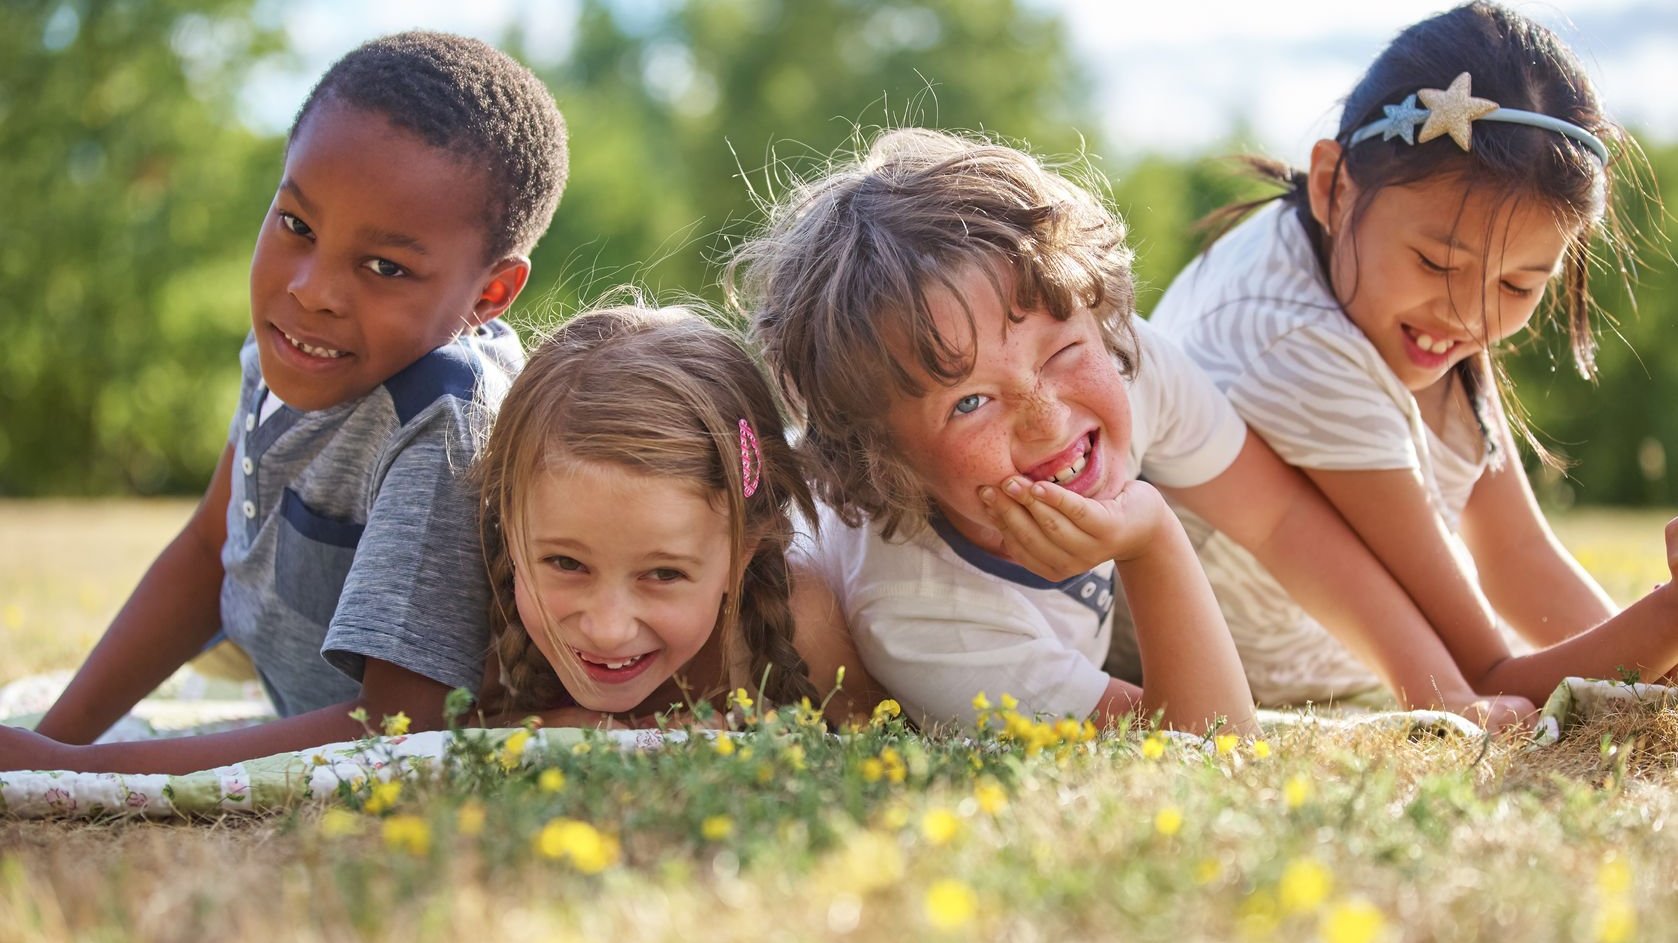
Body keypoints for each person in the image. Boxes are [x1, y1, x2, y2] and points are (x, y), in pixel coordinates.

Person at [729, 127, 1532, 735]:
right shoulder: (925, 619)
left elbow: (1282, 521)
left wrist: (1444, 695)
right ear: (882, 458)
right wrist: (1150, 537)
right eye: (969, 401)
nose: (1048, 418)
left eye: (1061, 350)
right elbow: (1204, 744)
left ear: (1099, 315)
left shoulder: (1124, 359)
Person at [1, 32, 568, 774]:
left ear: (488, 295)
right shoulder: (296, 343)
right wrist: (51, 743)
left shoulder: (445, 422)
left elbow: (402, 725)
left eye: (385, 266)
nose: (311, 288)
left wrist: (83, 772)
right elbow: (212, 553)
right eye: (297, 225)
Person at [1150, 1, 1678, 707]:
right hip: (1268, 680)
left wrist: (1657, 658)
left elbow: (1514, 554)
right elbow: (1486, 677)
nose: (1470, 316)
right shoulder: (1292, 344)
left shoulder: (1382, 278)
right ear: (1333, 185)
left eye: (1521, 283)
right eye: (1437, 263)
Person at [472, 304, 874, 725]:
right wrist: (555, 729)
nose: (609, 629)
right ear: (511, 531)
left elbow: (874, 747)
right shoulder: (485, 622)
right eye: (567, 563)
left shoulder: (802, 624)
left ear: (742, 555)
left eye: (664, 574)